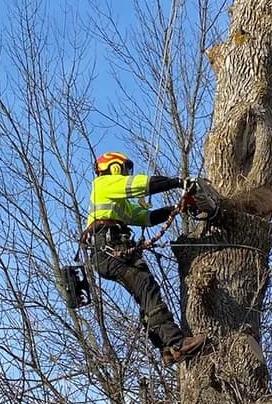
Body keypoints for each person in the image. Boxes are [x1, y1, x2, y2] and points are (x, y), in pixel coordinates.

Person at [84, 152, 207, 366]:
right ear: (114, 168)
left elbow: (145, 217)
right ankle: (177, 343)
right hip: (110, 249)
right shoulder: (104, 183)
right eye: (124, 169)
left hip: (111, 251)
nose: (126, 173)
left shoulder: (117, 202)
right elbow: (142, 184)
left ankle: (166, 348)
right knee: (146, 287)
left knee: (145, 294)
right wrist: (178, 182)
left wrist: (176, 209)